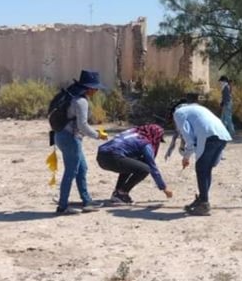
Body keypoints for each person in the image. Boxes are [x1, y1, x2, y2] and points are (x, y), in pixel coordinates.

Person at [55, 70, 109, 215]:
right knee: (71, 171)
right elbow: (83, 126)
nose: (97, 91)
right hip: (70, 139)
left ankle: (87, 201)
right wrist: (98, 135)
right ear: (89, 88)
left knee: (82, 168)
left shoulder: (71, 95)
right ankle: (62, 207)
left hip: (61, 136)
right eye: (96, 88)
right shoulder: (81, 101)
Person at [169, 99, 232, 216]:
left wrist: (185, 157)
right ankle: (202, 199)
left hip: (209, 137)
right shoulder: (197, 108)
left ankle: (204, 204)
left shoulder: (178, 113)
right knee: (207, 170)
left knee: (201, 170)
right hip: (222, 136)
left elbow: (189, 139)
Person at [97, 123, 174, 203]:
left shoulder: (132, 131)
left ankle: (117, 192)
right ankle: (122, 193)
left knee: (132, 163)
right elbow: (152, 166)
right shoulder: (145, 143)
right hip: (113, 157)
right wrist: (164, 188)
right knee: (145, 168)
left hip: (101, 156)